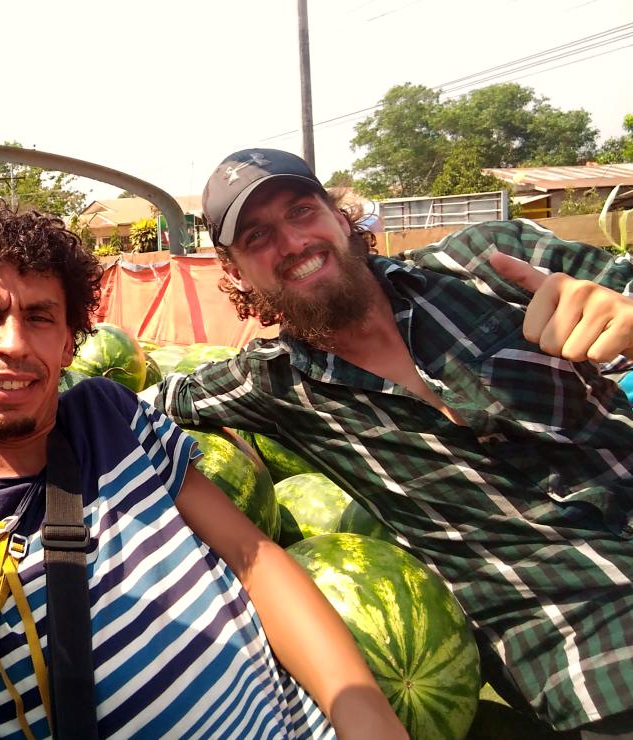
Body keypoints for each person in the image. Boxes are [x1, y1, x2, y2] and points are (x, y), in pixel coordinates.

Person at [0, 202, 406, 739]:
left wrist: (369, 721)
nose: (12, 343)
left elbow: (251, 556)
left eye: (39, 318)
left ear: (67, 344)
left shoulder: (109, 415)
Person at [147, 148, 633, 734]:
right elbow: (122, 405)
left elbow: (617, 295)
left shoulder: (488, 262)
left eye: (302, 211)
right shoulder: (271, 383)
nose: (293, 242)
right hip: (589, 638)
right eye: (257, 237)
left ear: (340, 216)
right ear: (234, 272)